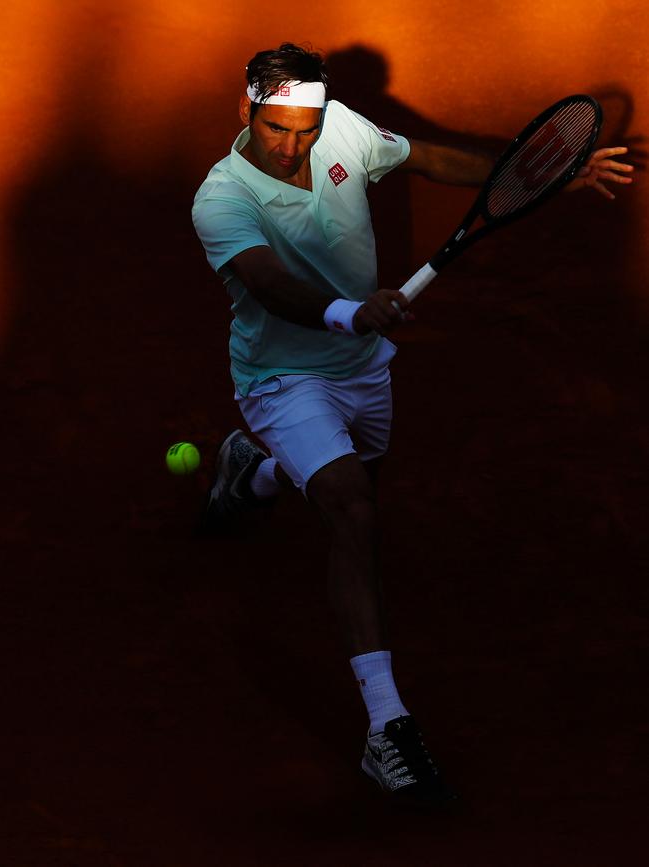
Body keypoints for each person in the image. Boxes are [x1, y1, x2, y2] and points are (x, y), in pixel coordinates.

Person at [192, 43, 633, 804]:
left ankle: (252, 472)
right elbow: (267, 285)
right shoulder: (221, 197)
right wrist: (347, 310)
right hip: (284, 376)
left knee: (353, 487)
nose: (295, 145)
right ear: (247, 111)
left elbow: (426, 155)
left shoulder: (342, 131)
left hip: (364, 370)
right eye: (277, 130)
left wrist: (541, 175)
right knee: (351, 508)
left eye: (307, 127)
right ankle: (386, 727)